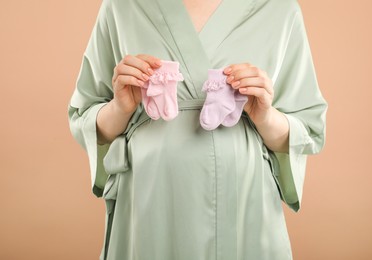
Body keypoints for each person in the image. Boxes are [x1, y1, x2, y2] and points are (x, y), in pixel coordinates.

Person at [68, 0, 327, 259]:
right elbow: (85, 117)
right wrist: (120, 108)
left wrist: (265, 116)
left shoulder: (278, 9)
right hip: (149, 202)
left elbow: (307, 128)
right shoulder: (122, 7)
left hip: (243, 202)